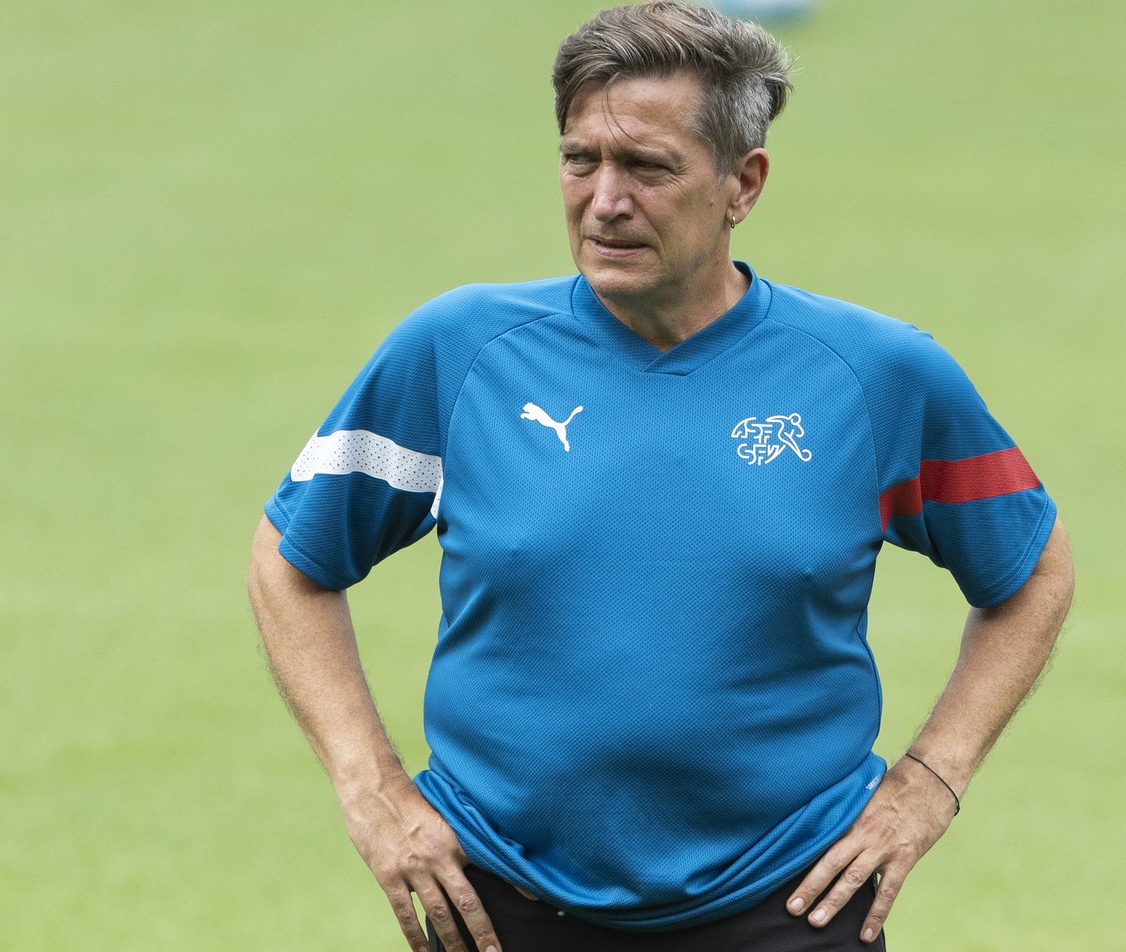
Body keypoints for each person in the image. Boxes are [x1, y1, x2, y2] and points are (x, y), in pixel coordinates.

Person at [247, 3, 1075, 950]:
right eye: (580, 159)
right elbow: (291, 555)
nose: (605, 199)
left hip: (788, 906)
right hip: (498, 907)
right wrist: (371, 789)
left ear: (743, 182)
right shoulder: (458, 352)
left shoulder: (876, 376)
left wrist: (931, 779)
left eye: (648, 167)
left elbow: (1033, 570)